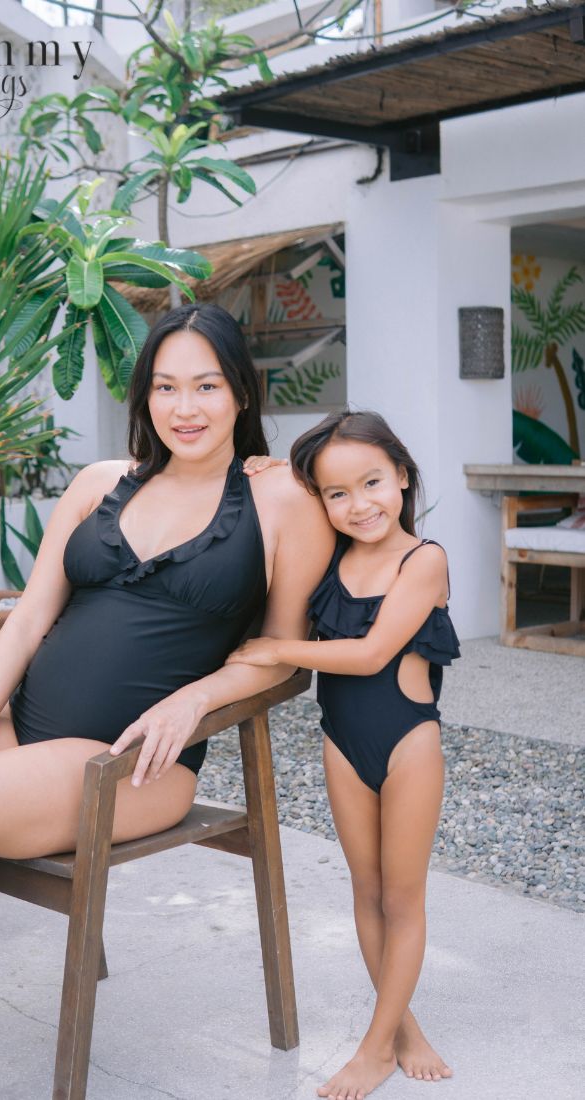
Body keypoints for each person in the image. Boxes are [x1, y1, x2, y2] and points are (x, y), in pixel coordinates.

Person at [0, 303, 333, 1100]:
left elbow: (280, 657)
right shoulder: (100, 483)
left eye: (206, 385)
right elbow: (28, 618)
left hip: (130, 766)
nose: (185, 407)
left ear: (240, 392)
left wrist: (193, 699)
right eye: (166, 387)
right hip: (26, 732)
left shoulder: (280, 504)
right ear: (144, 396)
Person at [233, 410, 460, 1100]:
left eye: (372, 483)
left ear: (402, 478)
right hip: (341, 743)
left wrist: (276, 648)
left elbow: (367, 655)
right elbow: (289, 509)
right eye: (337, 494)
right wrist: (269, 471)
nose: (358, 504)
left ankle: (371, 1049)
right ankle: (405, 1029)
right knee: (363, 893)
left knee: (401, 896)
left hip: (408, 742)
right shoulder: (332, 558)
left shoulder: (426, 560)